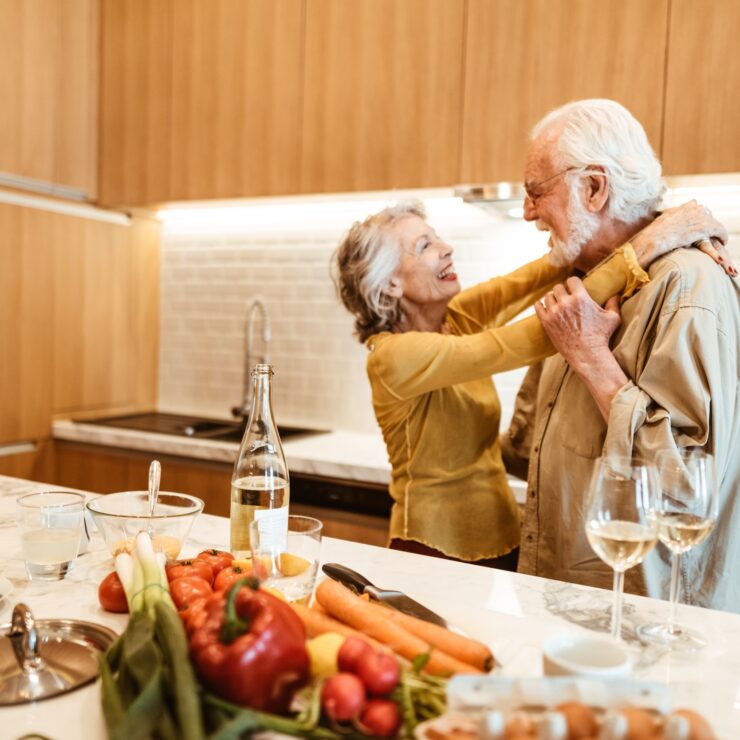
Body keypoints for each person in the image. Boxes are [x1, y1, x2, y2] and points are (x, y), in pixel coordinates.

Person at [332, 197, 727, 569]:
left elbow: (545, 272)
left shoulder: (456, 317)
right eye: (424, 246)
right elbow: (534, 336)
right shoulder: (392, 356)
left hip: (504, 539)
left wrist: (657, 222)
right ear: (389, 285)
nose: (446, 247)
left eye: (436, 237)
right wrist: (651, 242)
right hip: (431, 548)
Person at [502, 99, 740, 612]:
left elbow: (687, 484)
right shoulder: (582, 284)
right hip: (570, 605)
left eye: (536, 191)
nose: (527, 211)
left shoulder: (687, 285)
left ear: (594, 187)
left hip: (648, 622)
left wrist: (592, 359)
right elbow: (529, 451)